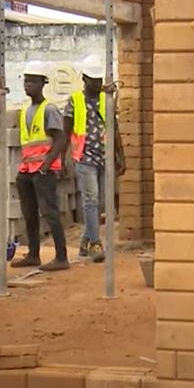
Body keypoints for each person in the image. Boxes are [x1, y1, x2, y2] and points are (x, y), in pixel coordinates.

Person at [63, 55, 125, 262]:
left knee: (99, 203)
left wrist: (120, 155)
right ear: (84, 79)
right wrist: (63, 158)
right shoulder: (75, 100)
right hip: (84, 157)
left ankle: (84, 242)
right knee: (91, 200)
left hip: (104, 157)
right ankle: (95, 244)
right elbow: (66, 130)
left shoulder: (105, 99)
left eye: (99, 80)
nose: (97, 84)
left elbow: (114, 128)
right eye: (93, 80)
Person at [12, 61, 70, 271]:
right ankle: (33, 254)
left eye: (32, 82)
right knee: (29, 213)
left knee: (50, 212)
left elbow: (60, 139)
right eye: (26, 81)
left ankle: (61, 257)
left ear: (41, 84)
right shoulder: (26, 110)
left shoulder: (50, 109)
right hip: (27, 170)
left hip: (43, 171)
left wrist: (46, 165)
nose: (28, 85)